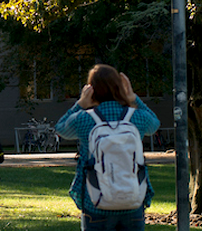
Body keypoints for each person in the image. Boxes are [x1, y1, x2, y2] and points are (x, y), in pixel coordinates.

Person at [55, 64, 160, 231]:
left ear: (92, 90)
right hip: (133, 201)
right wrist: (134, 99)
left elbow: (61, 129)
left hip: (96, 201)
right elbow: (155, 124)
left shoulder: (84, 119)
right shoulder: (136, 117)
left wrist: (80, 104)